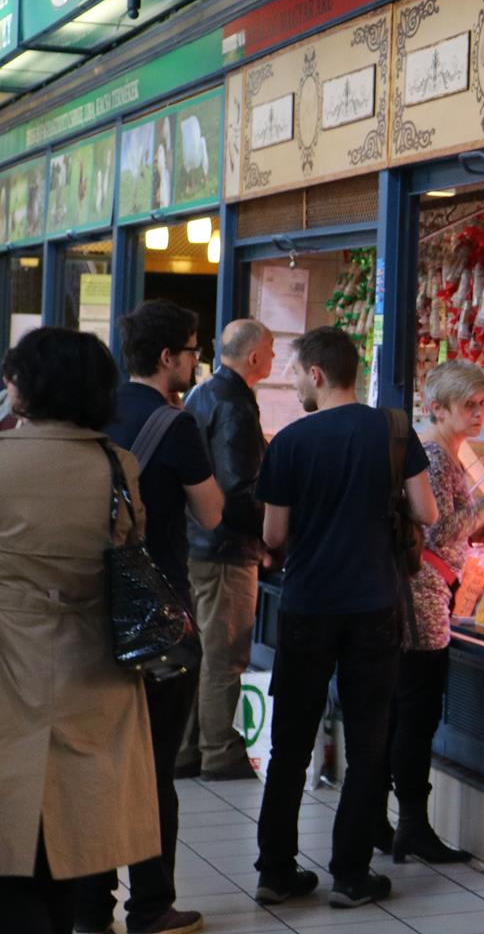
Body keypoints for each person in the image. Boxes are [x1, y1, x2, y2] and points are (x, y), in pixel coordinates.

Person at [254, 327, 436, 910]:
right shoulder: (395, 430)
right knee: (368, 742)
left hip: (307, 603)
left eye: (294, 373)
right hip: (374, 604)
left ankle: (276, 871)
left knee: (290, 744)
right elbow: (427, 511)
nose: (293, 383)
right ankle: (351, 876)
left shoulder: (289, 441)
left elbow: (273, 535)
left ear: (316, 374)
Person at [0, 329, 161, 934]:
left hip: (7, 657)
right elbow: (129, 550)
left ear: (27, 386)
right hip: (89, 663)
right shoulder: (117, 466)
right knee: (71, 833)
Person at [75, 302, 223, 934]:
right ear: (168, 358)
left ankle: (90, 907)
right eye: (192, 351)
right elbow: (212, 514)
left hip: (91, 614)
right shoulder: (176, 424)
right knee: (154, 766)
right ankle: (152, 905)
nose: (196, 361)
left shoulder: (93, 414)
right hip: (159, 618)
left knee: (97, 765)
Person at [379, 361, 484, 863]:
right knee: (417, 709)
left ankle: (386, 821)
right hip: (422, 598)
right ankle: (410, 823)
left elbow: (444, 525)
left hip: (428, 592)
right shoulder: (433, 454)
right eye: (469, 406)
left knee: (407, 709)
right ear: (437, 408)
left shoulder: (445, 452)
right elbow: (436, 528)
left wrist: (474, 526)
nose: (479, 414)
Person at [177, 318, 275, 782]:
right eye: (271, 350)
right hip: (226, 550)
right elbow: (240, 489)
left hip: (197, 543)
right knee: (225, 655)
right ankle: (219, 751)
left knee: (201, 652)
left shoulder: (203, 393)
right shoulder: (235, 405)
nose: (274, 358)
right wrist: (272, 534)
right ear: (254, 357)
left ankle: (186, 750)